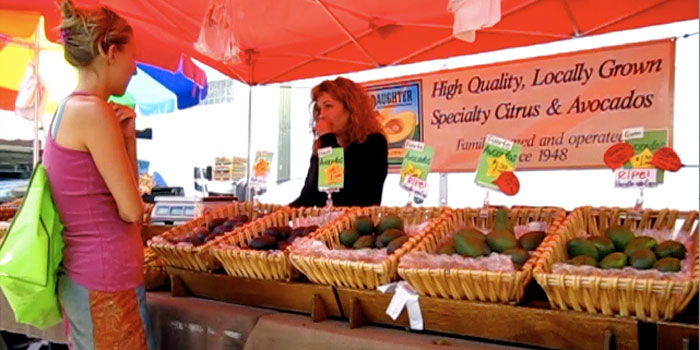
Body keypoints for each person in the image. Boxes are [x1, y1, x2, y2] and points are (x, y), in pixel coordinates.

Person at [43, 1, 154, 349]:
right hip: (104, 278)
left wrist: (127, 138)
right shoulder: (92, 113)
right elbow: (133, 210)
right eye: (132, 56)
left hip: (97, 275)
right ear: (110, 51)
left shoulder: (74, 109)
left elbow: (122, 199)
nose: (135, 69)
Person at [290, 77, 388, 207]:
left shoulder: (373, 142)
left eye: (328, 106)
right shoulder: (322, 146)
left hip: (354, 225)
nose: (322, 115)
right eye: (319, 109)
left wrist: (327, 139)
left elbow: (349, 195)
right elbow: (308, 197)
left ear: (351, 108)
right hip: (323, 226)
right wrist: (276, 216)